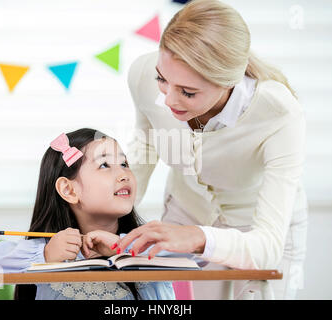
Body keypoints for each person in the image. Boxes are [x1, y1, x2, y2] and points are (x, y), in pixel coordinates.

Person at [117, 0, 307, 300]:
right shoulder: (142, 74)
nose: (167, 100)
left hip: (259, 231)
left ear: (228, 82)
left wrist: (199, 237)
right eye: (162, 80)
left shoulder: (279, 113)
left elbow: (268, 247)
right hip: (185, 213)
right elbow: (145, 147)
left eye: (188, 92)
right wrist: (111, 219)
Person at [0, 128, 176, 300]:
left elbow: (198, 255)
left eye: (124, 164)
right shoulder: (50, 252)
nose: (123, 174)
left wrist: (121, 246)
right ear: (69, 190)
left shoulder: (150, 242)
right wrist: (45, 256)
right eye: (104, 165)